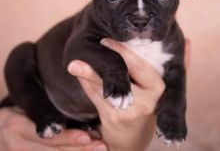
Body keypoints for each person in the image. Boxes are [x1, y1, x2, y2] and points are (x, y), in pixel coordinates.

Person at [0, 38, 190, 151]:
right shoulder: (93, 25)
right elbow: (76, 49)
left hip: (89, 121)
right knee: (20, 57)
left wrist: (127, 140)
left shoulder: (172, 42)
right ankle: (46, 116)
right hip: (38, 91)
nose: (140, 13)